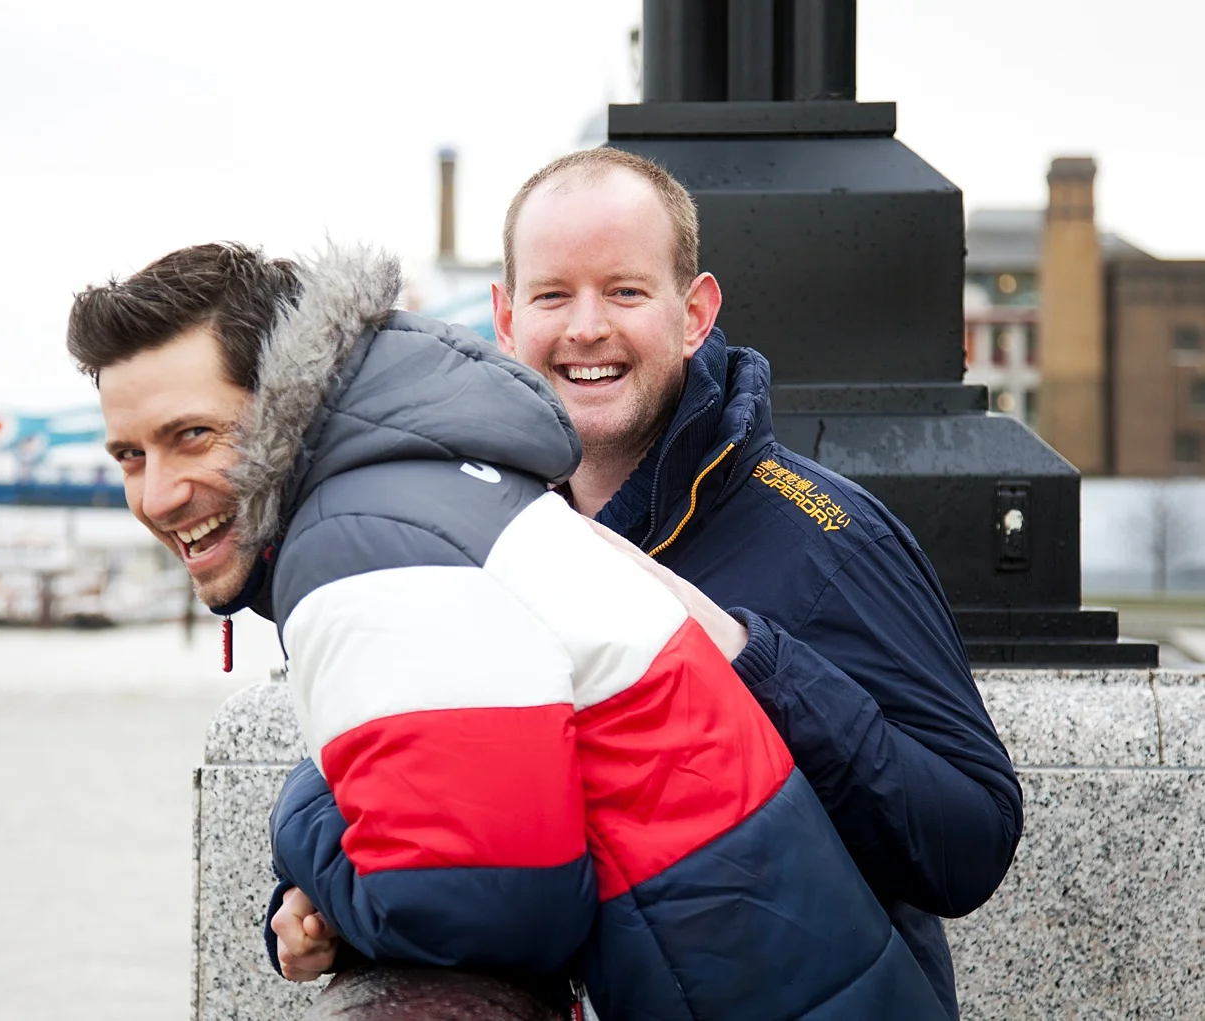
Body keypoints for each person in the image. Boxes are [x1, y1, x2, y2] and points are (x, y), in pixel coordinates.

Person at [69, 241, 947, 1019]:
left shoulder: (360, 540)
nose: (156, 495)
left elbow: (489, 904)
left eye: (193, 435)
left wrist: (304, 820)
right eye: (130, 455)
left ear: (283, 399)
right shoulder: (425, 489)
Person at [273, 149, 1024, 1019]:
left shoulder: (830, 535)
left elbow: (969, 844)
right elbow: (414, 794)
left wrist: (740, 650)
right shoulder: (463, 539)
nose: (586, 327)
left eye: (625, 291)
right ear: (504, 318)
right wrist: (307, 910)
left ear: (695, 313)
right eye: (554, 295)